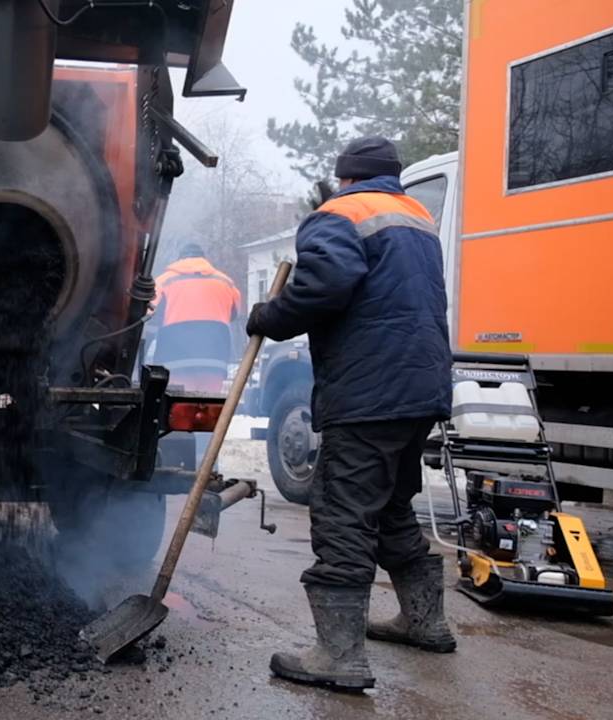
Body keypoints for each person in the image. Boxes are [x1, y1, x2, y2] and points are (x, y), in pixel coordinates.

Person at [247, 136, 455, 691]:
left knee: (342, 510)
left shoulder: (339, 214)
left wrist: (269, 316)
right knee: (390, 506)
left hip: (370, 391)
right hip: (422, 385)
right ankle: (424, 620)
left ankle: (338, 656)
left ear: (345, 178)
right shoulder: (417, 217)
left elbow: (325, 285)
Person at [149, 243, 242, 394]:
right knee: (207, 406)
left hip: (174, 357)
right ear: (204, 260)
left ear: (179, 259)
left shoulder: (164, 281)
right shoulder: (226, 282)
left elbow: (150, 312)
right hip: (215, 355)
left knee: (177, 404)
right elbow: (234, 313)